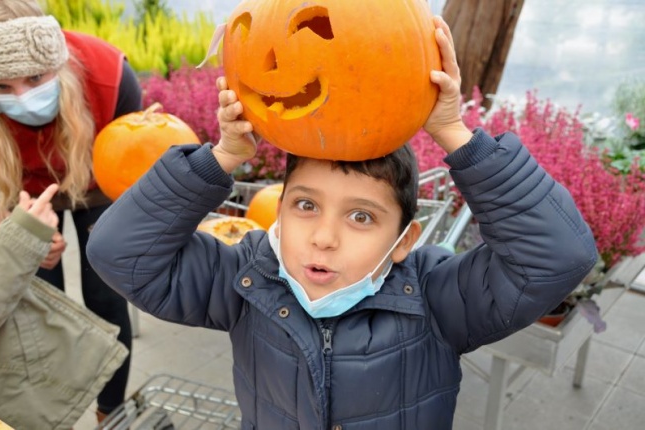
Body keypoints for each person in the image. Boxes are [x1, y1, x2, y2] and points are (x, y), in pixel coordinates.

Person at [86, 16, 598, 429]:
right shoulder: (245, 282)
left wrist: (453, 133)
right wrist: (220, 157)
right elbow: (119, 252)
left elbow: (557, 256)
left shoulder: (439, 300)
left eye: (361, 216)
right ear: (279, 208)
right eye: (305, 205)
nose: (323, 238)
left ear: (405, 240)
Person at [0, 0, 141, 421]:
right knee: (39, 303)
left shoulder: (110, 75)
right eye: (2, 87)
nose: (23, 97)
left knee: (107, 294)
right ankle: (48, 412)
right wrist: (14, 231)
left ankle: (111, 412)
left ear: (55, 61)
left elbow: (135, 165)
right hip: (18, 189)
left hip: (98, 182)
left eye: (36, 78)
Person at [0, 184, 129, 430]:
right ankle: (57, 415)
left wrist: (12, 230)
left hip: (89, 182)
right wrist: (20, 239)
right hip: (23, 185)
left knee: (107, 299)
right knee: (43, 316)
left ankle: (112, 417)